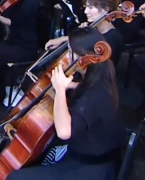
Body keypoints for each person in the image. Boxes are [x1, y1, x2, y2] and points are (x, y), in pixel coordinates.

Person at [8, 27, 125, 180]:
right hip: (93, 156)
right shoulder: (101, 76)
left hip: (90, 169)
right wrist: (72, 86)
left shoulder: (94, 93)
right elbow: (89, 95)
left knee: (15, 177)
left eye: (69, 51)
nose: (66, 56)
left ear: (82, 57)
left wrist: (60, 89)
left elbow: (64, 132)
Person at [46, 0, 124, 66]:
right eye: (85, 7)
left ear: (105, 10)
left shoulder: (112, 39)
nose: (85, 11)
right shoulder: (95, 29)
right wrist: (63, 39)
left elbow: (96, 68)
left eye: (90, 7)